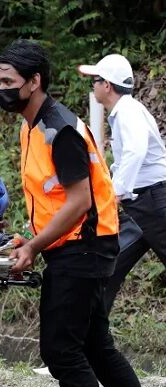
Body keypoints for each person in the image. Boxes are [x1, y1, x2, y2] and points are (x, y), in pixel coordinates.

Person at [0, 39, 166, 387]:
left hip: (85, 247)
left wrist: (33, 247)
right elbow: (52, 198)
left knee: (60, 348)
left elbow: (78, 201)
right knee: (93, 343)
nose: (2, 89)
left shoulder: (60, 129)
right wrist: (31, 238)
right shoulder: (31, 126)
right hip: (74, 244)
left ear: (34, 82)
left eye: (9, 82)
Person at [76, 53, 166, 314]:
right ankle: (93, 331)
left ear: (107, 85)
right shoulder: (123, 112)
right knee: (108, 268)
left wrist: (114, 193)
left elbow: (135, 151)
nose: (92, 87)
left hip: (154, 201)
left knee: (108, 266)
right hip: (140, 205)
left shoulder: (127, 111)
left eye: (94, 81)